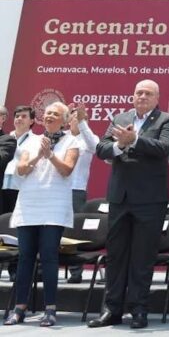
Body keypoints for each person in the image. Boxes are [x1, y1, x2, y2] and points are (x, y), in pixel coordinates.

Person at [89, 79, 169, 329]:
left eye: (148, 93)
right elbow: (102, 149)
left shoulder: (166, 120)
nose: (142, 97)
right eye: (139, 93)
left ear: (157, 98)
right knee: (116, 256)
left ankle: (139, 310)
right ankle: (111, 309)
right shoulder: (120, 118)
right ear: (133, 96)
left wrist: (135, 139)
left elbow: (163, 148)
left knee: (142, 257)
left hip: (150, 199)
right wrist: (120, 144)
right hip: (120, 197)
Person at [4, 102, 80, 327]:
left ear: (64, 120)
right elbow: (21, 169)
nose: (50, 116)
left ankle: (50, 309)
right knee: (25, 257)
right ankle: (20, 308)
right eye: (47, 113)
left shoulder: (72, 141)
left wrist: (51, 155)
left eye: (55, 114)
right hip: (29, 204)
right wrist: (39, 155)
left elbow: (66, 170)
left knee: (48, 257)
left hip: (54, 207)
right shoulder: (32, 140)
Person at [65, 103, 100, 284]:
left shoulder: (89, 138)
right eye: (74, 117)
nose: (77, 120)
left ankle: (75, 271)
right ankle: (40, 269)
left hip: (76, 190)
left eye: (81, 118)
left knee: (73, 231)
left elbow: (96, 147)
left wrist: (82, 122)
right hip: (55, 189)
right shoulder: (61, 137)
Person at [1, 105, 35, 282]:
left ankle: (15, 268)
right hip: (3, 188)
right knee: (1, 228)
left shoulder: (35, 140)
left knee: (17, 230)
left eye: (23, 116)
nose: (19, 119)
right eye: (17, 116)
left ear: (32, 121)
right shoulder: (6, 137)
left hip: (21, 189)